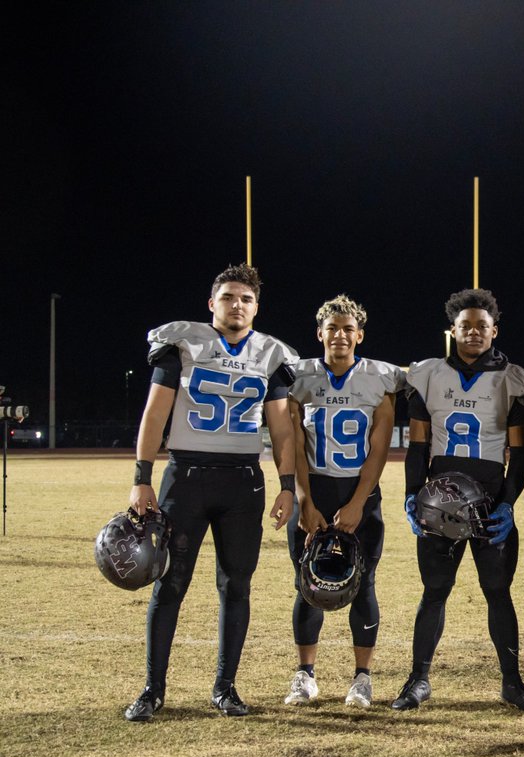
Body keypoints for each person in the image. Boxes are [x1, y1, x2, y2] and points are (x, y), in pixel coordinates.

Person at [124, 263, 299, 722]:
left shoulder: (271, 354)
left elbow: (282, 428)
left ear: (256, 306)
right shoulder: (183, 345)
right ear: (212, 303)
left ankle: (225, 688)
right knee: (170, 584)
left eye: (245, 298)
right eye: (229, 297)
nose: (237, 304)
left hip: (244, 482)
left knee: (236, 585)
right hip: (186, 478)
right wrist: (142, 477)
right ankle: (153, 689)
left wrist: (286, 486)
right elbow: (154, 414)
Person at [390, 288, 524, 712]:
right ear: (452, 331)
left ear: (494, 330)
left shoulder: (513, 380)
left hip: (490, 503)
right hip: (440, 506)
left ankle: (512, 683)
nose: (473, 332)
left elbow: (521, 454)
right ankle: (418, 680)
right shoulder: (428, 375)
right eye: (465, 326)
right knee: (434, 590)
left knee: (498, 591)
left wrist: (508, 504)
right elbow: (418, 446)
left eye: (481, 326)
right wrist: (410, 495)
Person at [284, 295, 406, 708]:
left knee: (364, 583)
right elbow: (296, 444)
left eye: (347, 328)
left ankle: (362, 678)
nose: (340, 335)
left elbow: (379, 449)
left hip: (360, 495)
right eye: (332, 328)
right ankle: (305, 675)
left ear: (360, 335)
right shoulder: (299, 378)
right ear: (320, 334)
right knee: (308, 584)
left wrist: (358, 502)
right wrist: (304, 499)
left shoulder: (379, 378)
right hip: (314, 493)